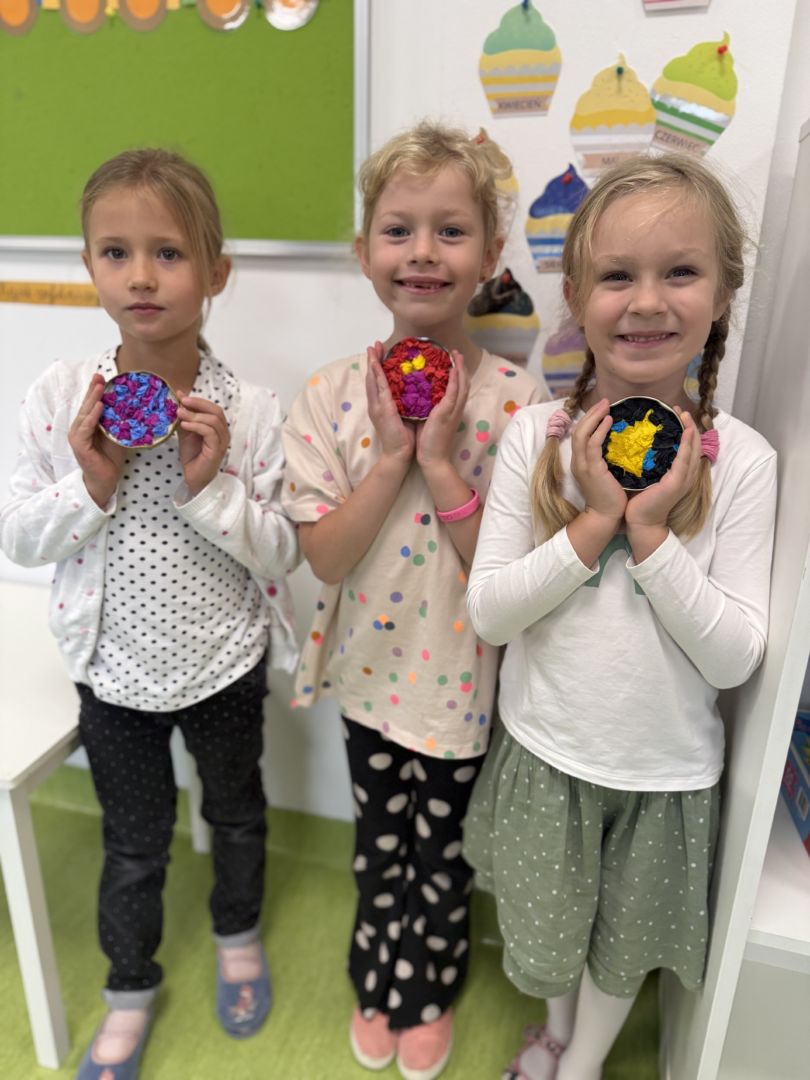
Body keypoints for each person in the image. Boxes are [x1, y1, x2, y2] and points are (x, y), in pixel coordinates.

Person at [462, 152, 778, 1080]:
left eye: (679, 272)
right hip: (546, 754)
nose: (646, 302)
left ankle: (583, 1062)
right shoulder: (536, 436)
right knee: (547, 927)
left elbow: (734, 659)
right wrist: (593, 522)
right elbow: (489, 613)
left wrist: (648, 534)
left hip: (665, 779)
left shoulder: (744, 461)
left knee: (620, 948)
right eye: (616, 276)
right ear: (574, 296)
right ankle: (556, 1033)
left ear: (723, 293)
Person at [0, 149, 299, 1080]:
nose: (140, 276)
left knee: (237, 814)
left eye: (168, 253)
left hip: (224, 664)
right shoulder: (62, 400)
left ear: (215, 272)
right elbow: (19, 536)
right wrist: (91, 483)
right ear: (89, 266)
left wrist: (214, 489)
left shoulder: (251, 412)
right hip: (114, 676)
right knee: (133, 846)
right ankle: (129, 989)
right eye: (115, 252)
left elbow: (284, 551)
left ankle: (238, 937)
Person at [282, 121, 545, 1080]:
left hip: (463, 685)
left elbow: (507, 581)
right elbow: (325, 557)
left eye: (451, 231)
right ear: (365, 253)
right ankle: (374, 971)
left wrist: (439, 463)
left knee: (444, 856)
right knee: (377, 843)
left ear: (490, 254)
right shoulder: (327, 396)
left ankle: (427, 985)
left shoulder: (520, 405)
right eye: (398, 230)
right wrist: (392, 456)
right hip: (367, 675)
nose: (423, 252)